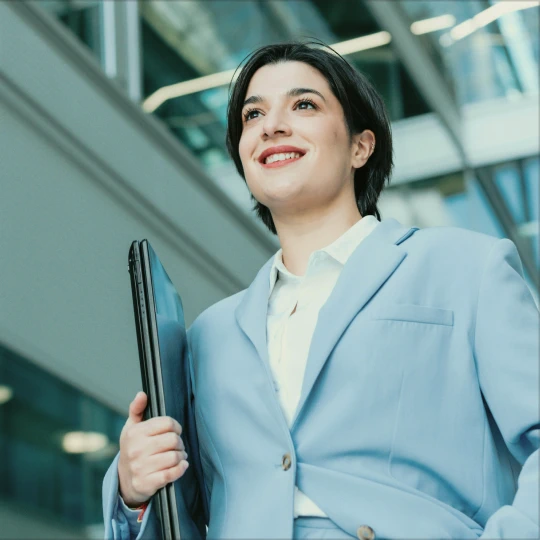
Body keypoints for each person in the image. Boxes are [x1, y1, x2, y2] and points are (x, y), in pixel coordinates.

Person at [102, 40, 539, 540]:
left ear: (361, 146)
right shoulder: (210, 335)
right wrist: (134, 488)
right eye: (253, 115)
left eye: (303, 104)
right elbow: (187, 514)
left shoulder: (467, 268)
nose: (271, 125)